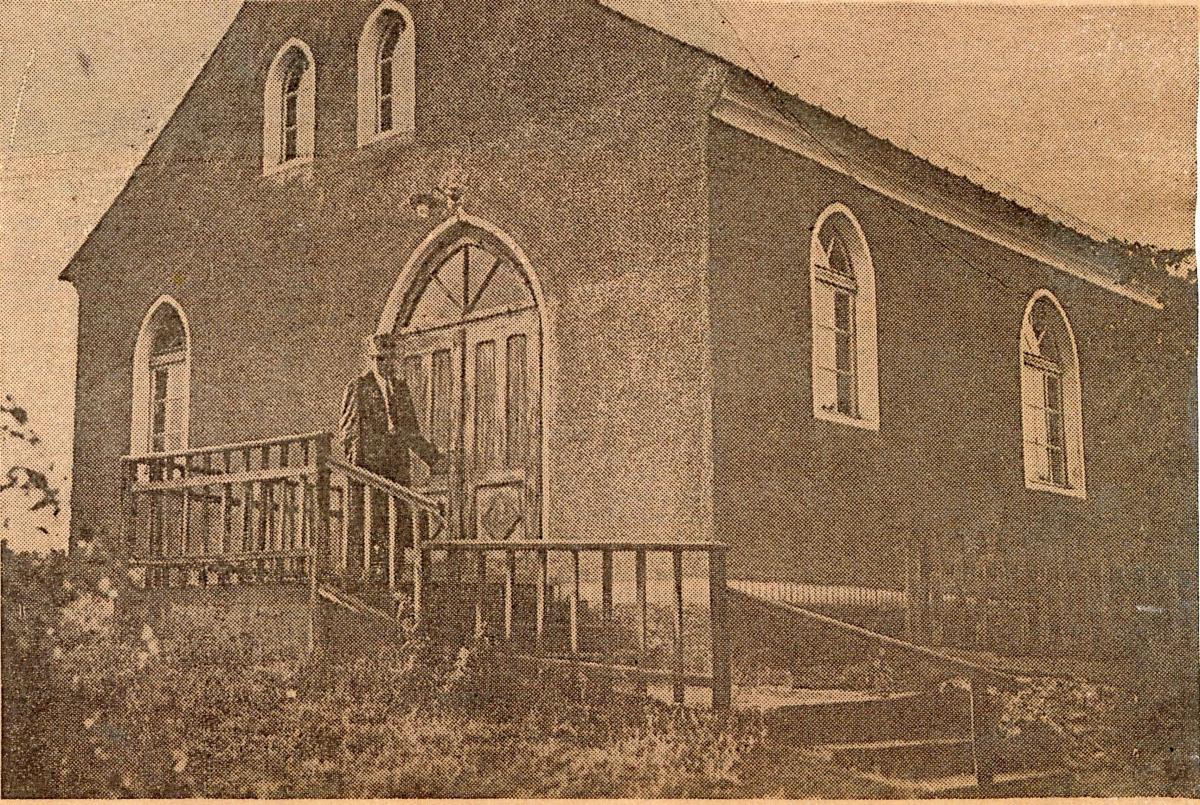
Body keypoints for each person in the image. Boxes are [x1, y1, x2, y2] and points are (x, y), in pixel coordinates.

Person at [339, 333, 443, 578]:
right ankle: (374, 573)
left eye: (388, 360)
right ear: (371, 360)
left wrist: (433, 458)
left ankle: (396, 575)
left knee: (397, 522)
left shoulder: (401, 389)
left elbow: (411, 431)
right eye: (379, 360)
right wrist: (359, 468)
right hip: (370, 470)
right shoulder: (358, 387)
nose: (384, 365)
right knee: (373, 523)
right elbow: (347, 432)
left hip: (397, 469)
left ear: (394, 360)